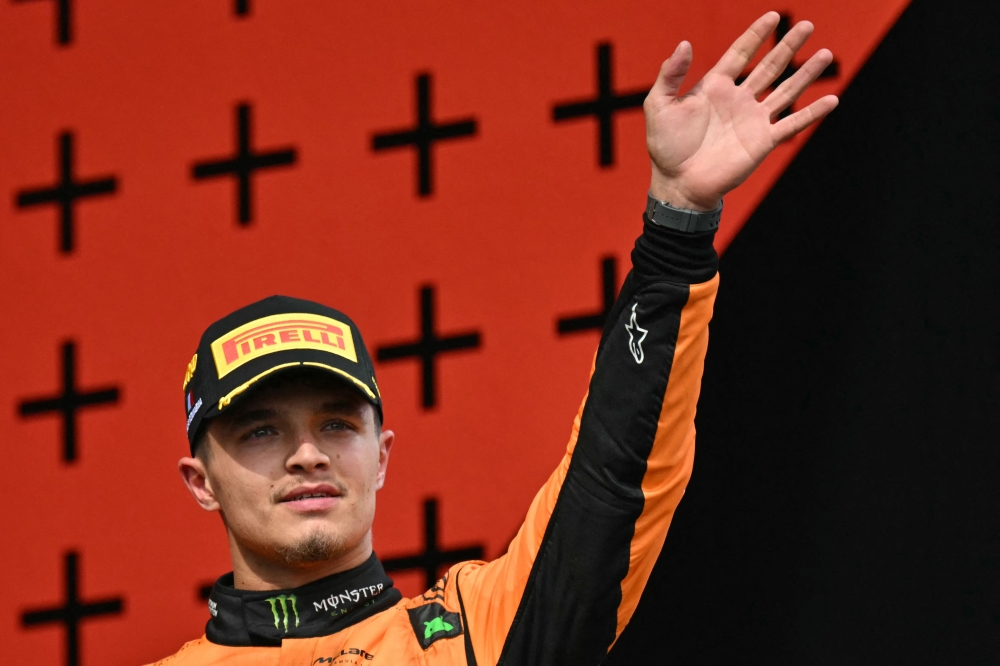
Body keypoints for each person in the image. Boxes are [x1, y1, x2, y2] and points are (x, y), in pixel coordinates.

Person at [152, 12, 837, 665]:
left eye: (336, 424)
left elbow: (614, 479)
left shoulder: (478, 636)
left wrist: (677, 230)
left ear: (382, 456)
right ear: (200, 481)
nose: (308, 455)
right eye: (261, 433)